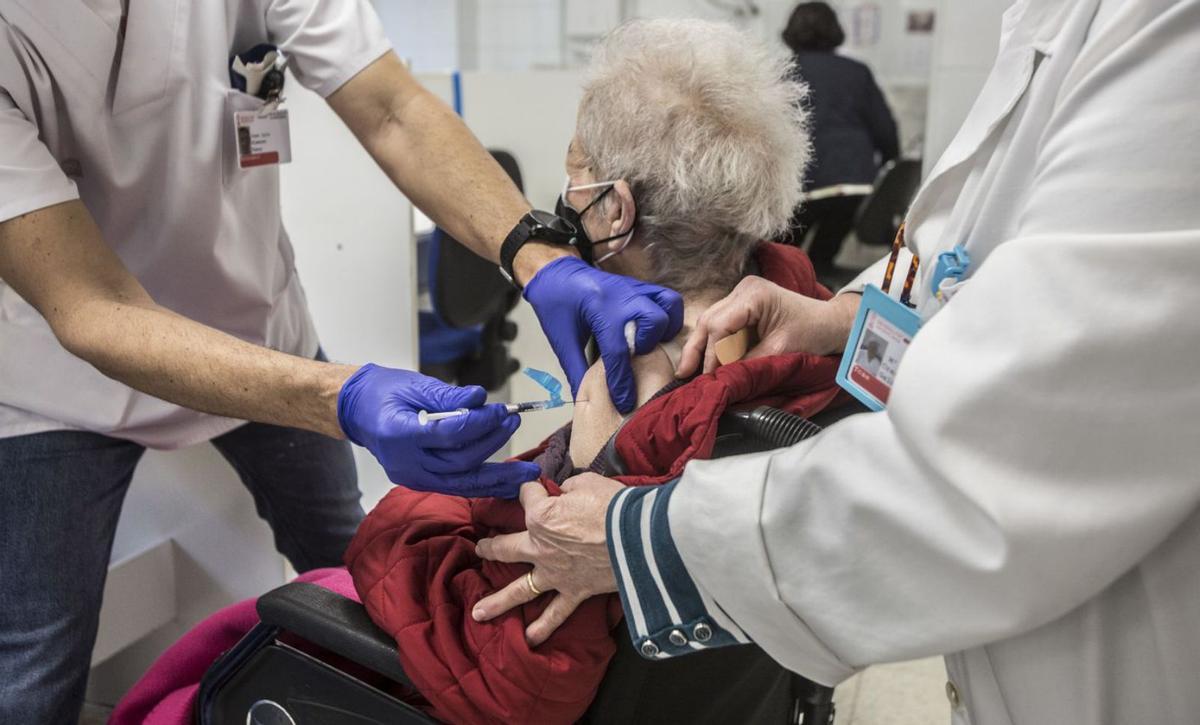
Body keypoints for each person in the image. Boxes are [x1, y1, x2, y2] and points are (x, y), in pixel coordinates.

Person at [474, 1, 1200, 723]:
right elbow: (966, 285)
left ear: (613, 210)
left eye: (576, 180)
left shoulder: (619, 390)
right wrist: (840, 319)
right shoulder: (801, 328)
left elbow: (517, 662)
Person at [0, 1, 681, 721]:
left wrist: (534, 256)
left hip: (261, 330)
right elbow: (93, 306)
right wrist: (343, 397)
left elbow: (391, 109)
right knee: (30, 669)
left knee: (375, 565)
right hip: (63, 382)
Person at [782, 1, 899, 280]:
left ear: (791, 32)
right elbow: (886, 132)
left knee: (780, 259)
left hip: (803, 185)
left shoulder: (784, 72)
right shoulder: (857, 72)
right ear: (835, 30)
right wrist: (883, 175)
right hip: (854, 183)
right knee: (823, 257)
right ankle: (821, 301)